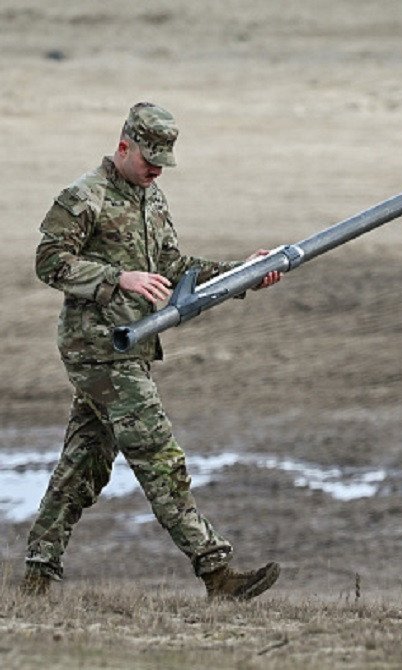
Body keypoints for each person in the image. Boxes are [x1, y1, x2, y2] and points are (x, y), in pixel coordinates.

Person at [21, 102, 282, 600]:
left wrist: (243, 273)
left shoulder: (153, 199)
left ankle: (36, 575)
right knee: (158, 453)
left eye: (164, 162)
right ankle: (216, 572)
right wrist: (117, 277)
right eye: (150, 159)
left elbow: (176, 267)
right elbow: (49, 262)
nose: (157, 170)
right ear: (124, 147)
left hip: (133, 347)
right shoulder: (84, 197)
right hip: (98, 349)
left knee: (84, 463)